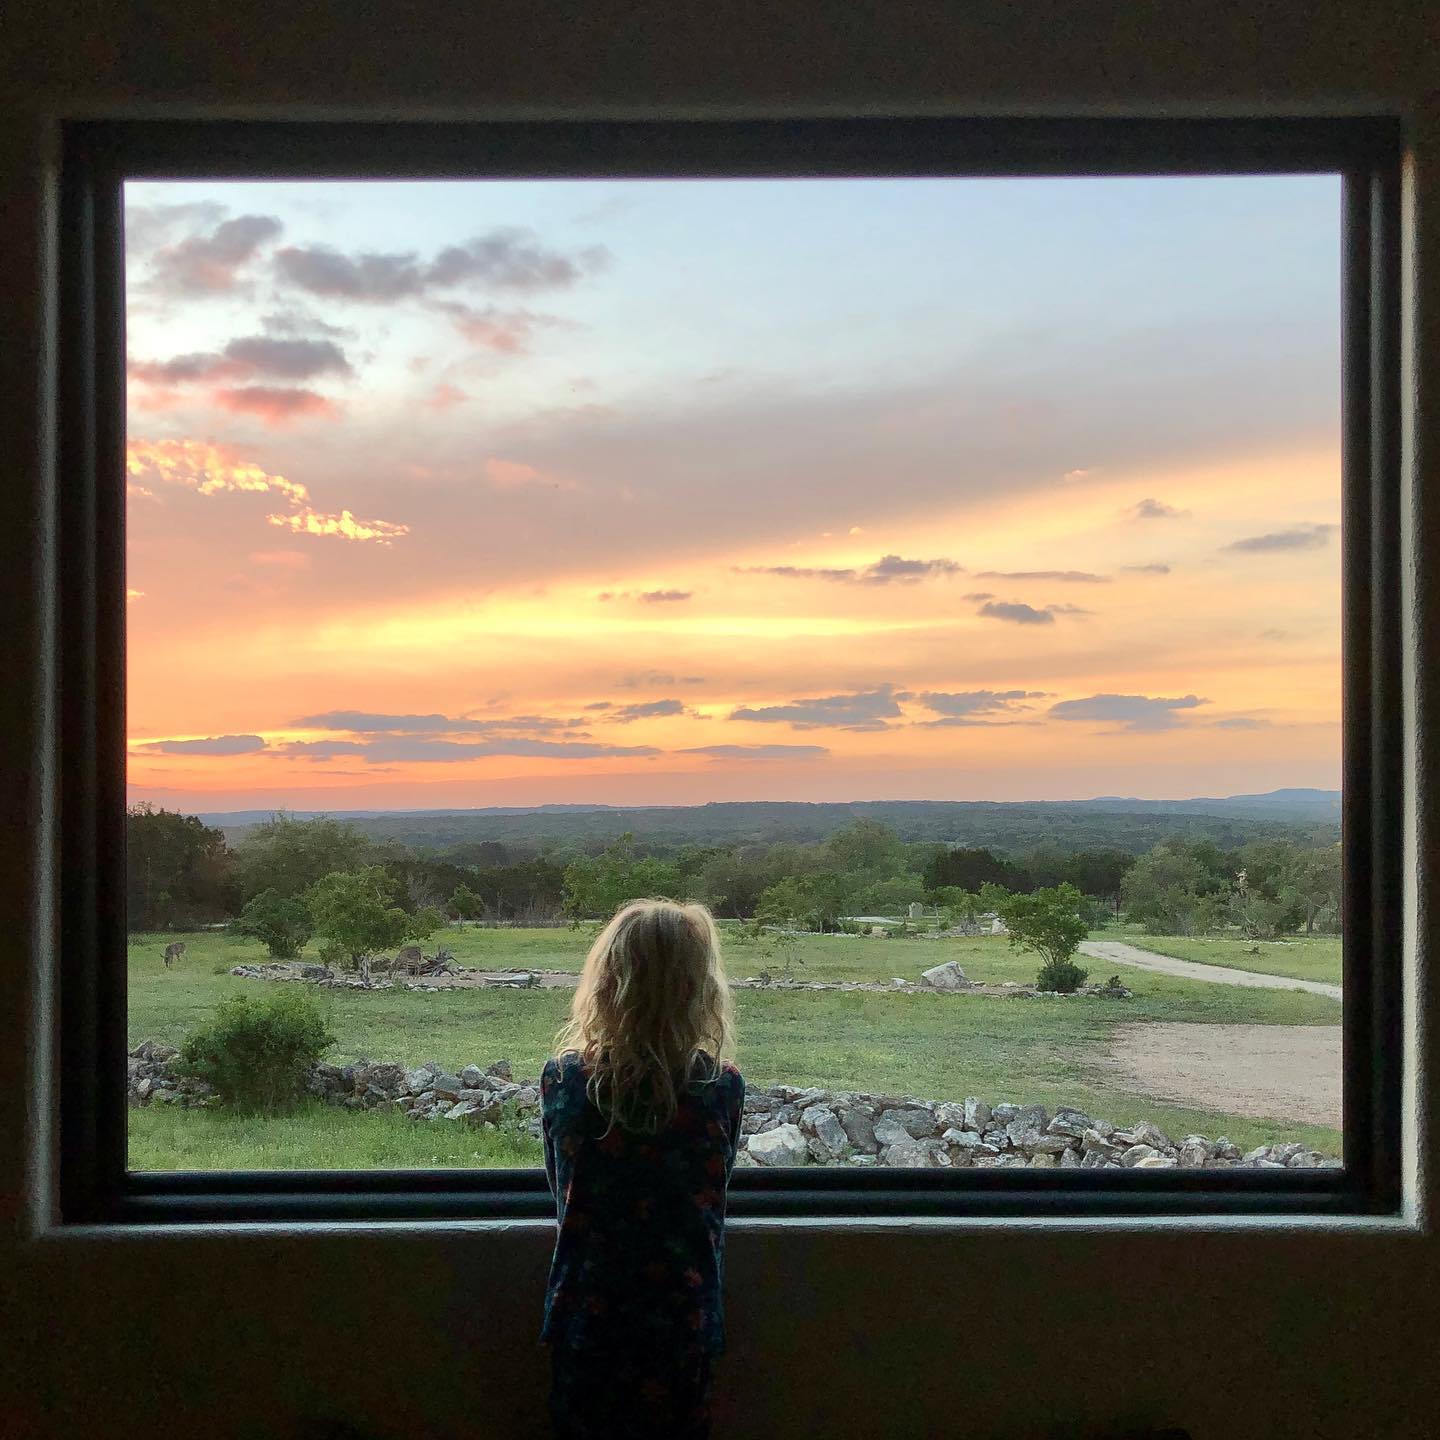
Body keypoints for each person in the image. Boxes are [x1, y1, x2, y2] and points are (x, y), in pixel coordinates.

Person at [540, 898, 745, 1439]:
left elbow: (561, 1194)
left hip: (588, 1311)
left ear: (608, 981)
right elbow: (715, 1193)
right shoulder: (719, 1088)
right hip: (684, 1314)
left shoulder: (565, 1081)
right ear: (696, 989)